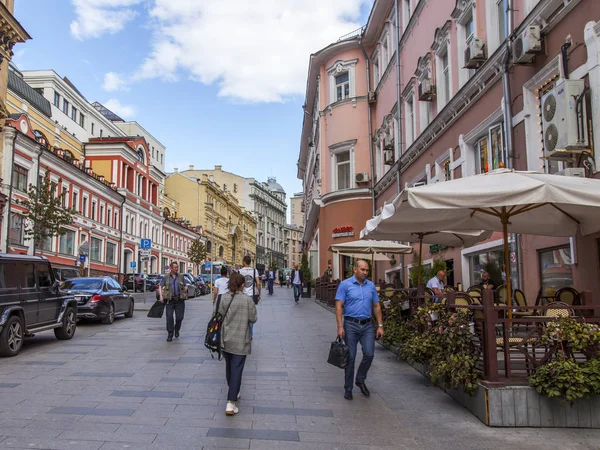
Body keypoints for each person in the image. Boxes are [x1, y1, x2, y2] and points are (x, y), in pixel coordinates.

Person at [335, 260, 384, 400]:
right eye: (362, 270)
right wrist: (340, 327)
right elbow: (339, 306)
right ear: (355, 270)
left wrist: (380, 326)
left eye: (367, 270)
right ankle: (348, 388)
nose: (365, 272)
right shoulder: (345, 285)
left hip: (367, 325)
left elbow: (376, 306)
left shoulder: (371, 286)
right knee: (350, 357)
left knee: (369, 354)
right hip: (350, 324)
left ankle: (360, 379)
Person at [217, 272, 257, 416]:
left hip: (226, 338)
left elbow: (218, 315)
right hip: (241, 340)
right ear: (242, 285)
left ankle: (235, 390)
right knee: (237, 369)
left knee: (229, 368)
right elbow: (254, 318)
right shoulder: (247, 300)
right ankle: (230, 402)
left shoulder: (223, 297)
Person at [158, 261, 188, 342]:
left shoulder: (181, 277)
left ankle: (177, 329)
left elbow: (185, 285)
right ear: (171, 268)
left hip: (180, 300)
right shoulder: (166, 277)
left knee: (179, 318)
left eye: (177, 267)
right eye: (175, 267)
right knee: (169, 317)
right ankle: (170, 334)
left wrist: (185, 289)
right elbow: (160, 286)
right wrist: (161, 296)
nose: (177, 269)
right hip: (169, 301)